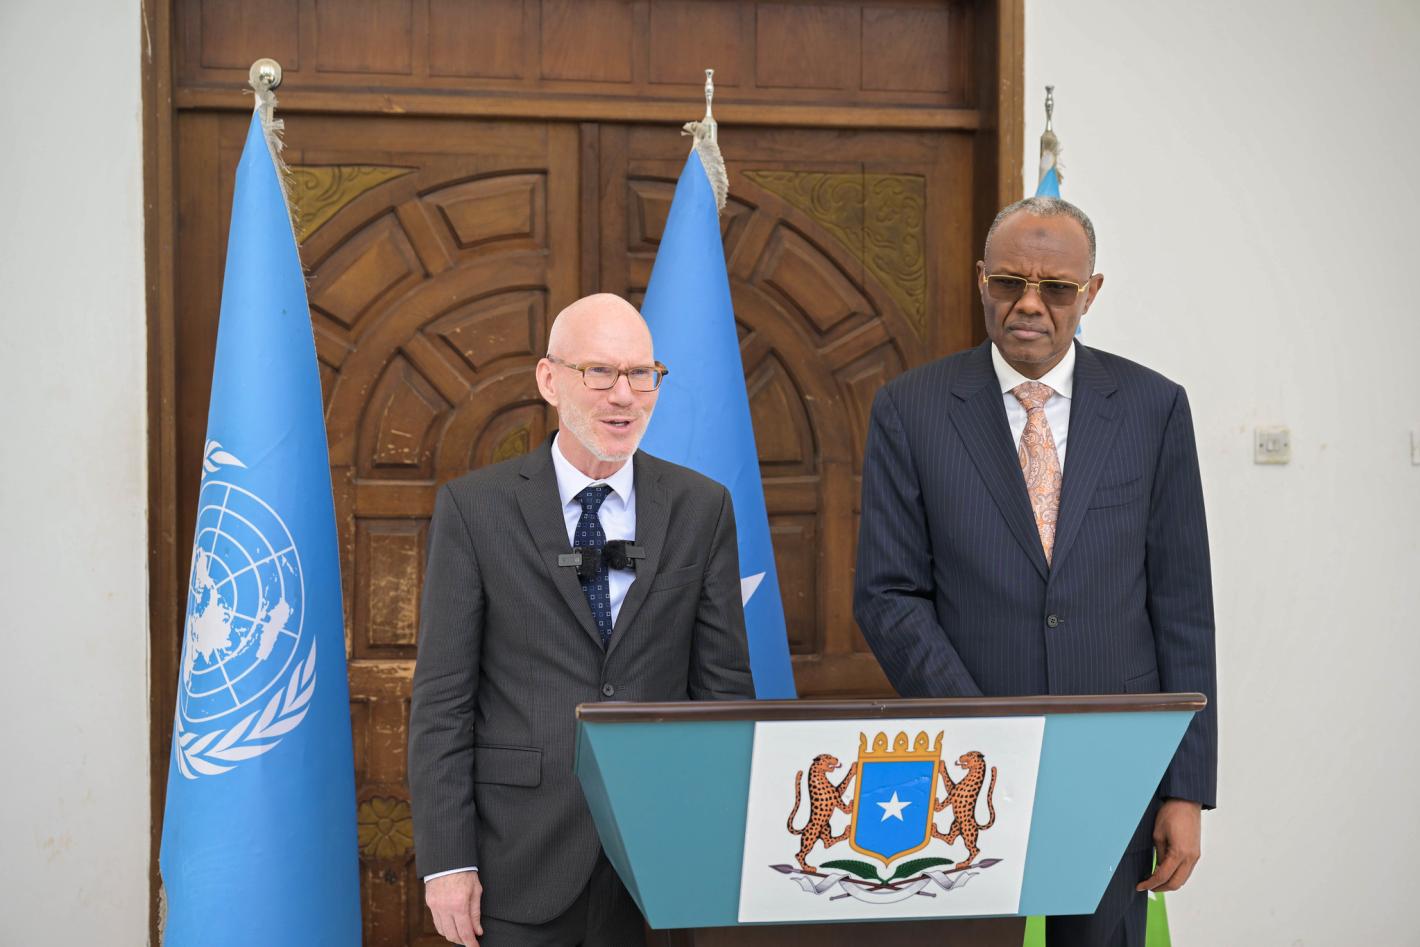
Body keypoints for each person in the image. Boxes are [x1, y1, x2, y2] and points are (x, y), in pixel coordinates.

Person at [853, 197, 1217, 946]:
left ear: (1092, 293)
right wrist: (982, 725)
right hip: (964, 766)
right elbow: (888, 594)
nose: (1029, 304)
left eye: (1056, 288)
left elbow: (1183, 606)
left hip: (1112, 769)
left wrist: (1186, 786)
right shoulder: (911, 409)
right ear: (980, 279)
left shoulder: (1154, 408)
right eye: (1009, 282)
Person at [409, 293, 754, 946]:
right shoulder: (474, 508)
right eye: (600, 372)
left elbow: (724, 695)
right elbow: (442, 701)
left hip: (661, 864)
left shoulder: (702, 507)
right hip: (519, 860)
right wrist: (448, 860)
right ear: (550, 379)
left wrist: (719, 849)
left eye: (641, 373)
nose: (623, 395)